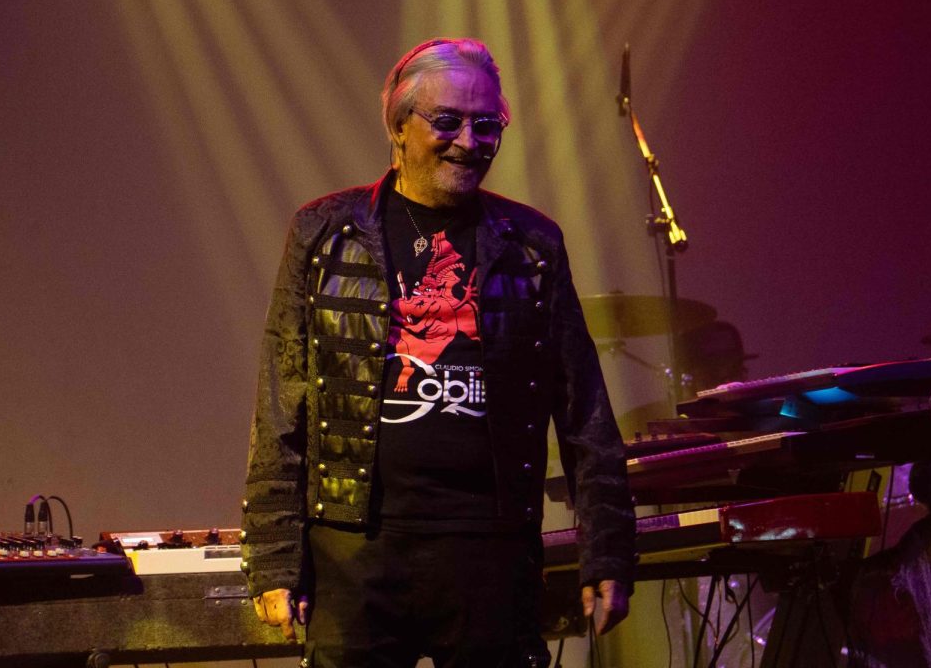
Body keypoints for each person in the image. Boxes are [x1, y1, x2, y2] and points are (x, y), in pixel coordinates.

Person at [241, 38, 637, 667]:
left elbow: (583, 406)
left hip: (490, 554)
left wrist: (609, 546)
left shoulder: (532, 243)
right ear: (399, 127)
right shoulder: (323, 233)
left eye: (487, 124)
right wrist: (273, 557)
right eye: (447, 121)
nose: (469, 140)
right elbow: (282, 400)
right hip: (355, 555)